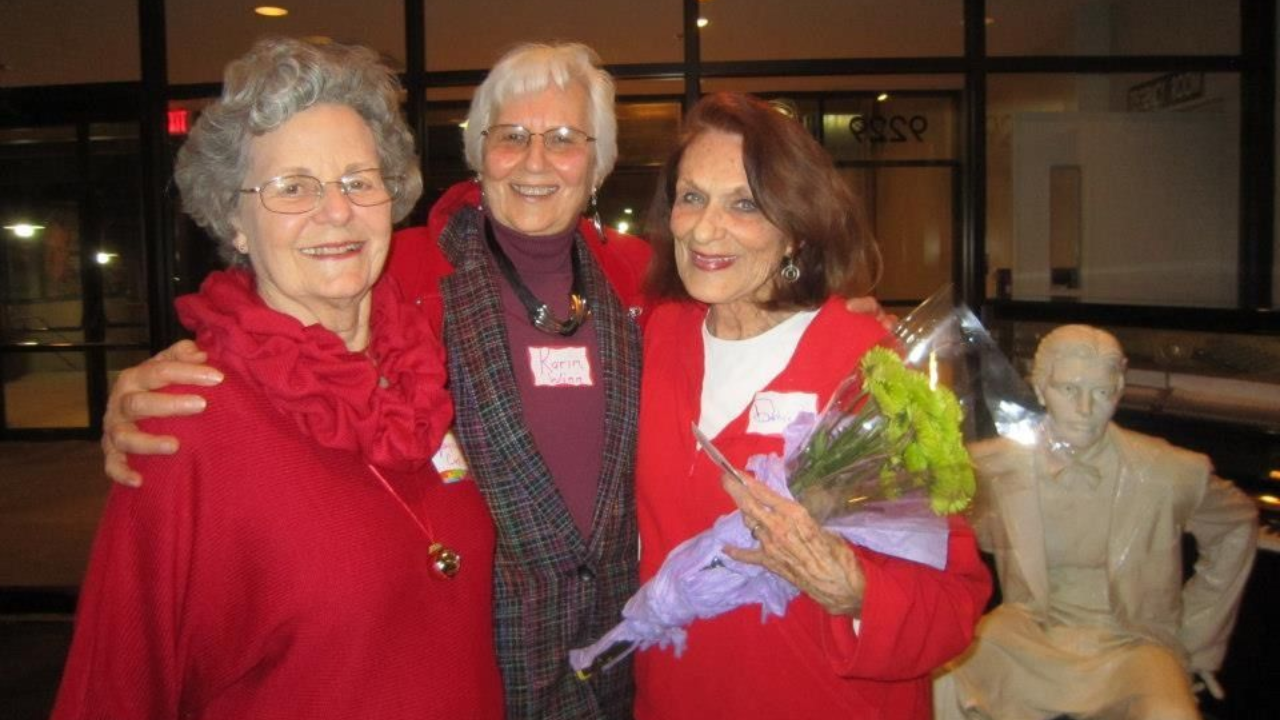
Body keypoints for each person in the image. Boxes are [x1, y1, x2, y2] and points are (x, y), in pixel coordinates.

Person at [100, 41, 648, 720]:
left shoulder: (639, 281)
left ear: (600, 161)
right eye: (510, 136)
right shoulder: (411, 276)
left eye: (564, 138)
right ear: (478, 152)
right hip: (509, 670)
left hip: (612, 661)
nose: (535, 160)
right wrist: (140, 393)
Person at [51, 38, 502, 720]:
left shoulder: (418, 373)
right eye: (293, 187)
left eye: (358, 180)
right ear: (234, 220)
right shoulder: (185, 421)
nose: (337, 211)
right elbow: (115, 685)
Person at [632, 92, 992, 719]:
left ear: (797, 228)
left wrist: (855, 590)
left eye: (743, 204)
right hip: (676, 698)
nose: (703, 228)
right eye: (692, 197)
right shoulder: (656, 339)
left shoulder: (866, 369)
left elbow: (955, 601)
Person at [932, 324, 1259, 720]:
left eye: (1101, 393)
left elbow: (1236, 524)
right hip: (1028, 633)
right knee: (938, 681)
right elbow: (932, 529)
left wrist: (1197, 637)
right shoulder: (995, 467)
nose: (1085, 409)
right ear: (1040, 389)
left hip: (1131, 643)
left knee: (1172, 714)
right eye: (1069, 390)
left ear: (1118, 393)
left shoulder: (1168, 471)